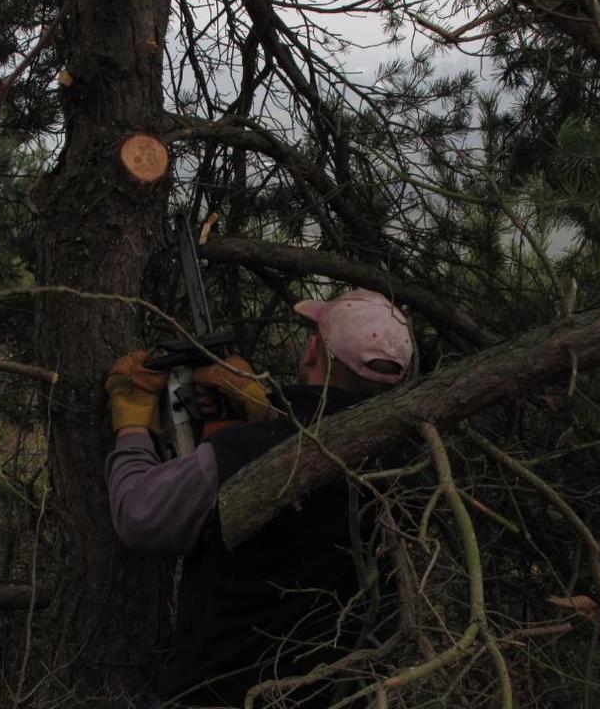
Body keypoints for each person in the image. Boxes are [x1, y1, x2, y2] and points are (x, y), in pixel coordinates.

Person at [105, 288, 413, 707]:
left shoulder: (252, 453)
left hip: (218, 695)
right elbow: (327, 446)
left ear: (311, 351)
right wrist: (264, 413)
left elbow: (138, 514)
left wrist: (132, 426)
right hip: (342, 697)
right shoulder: (418, 466)